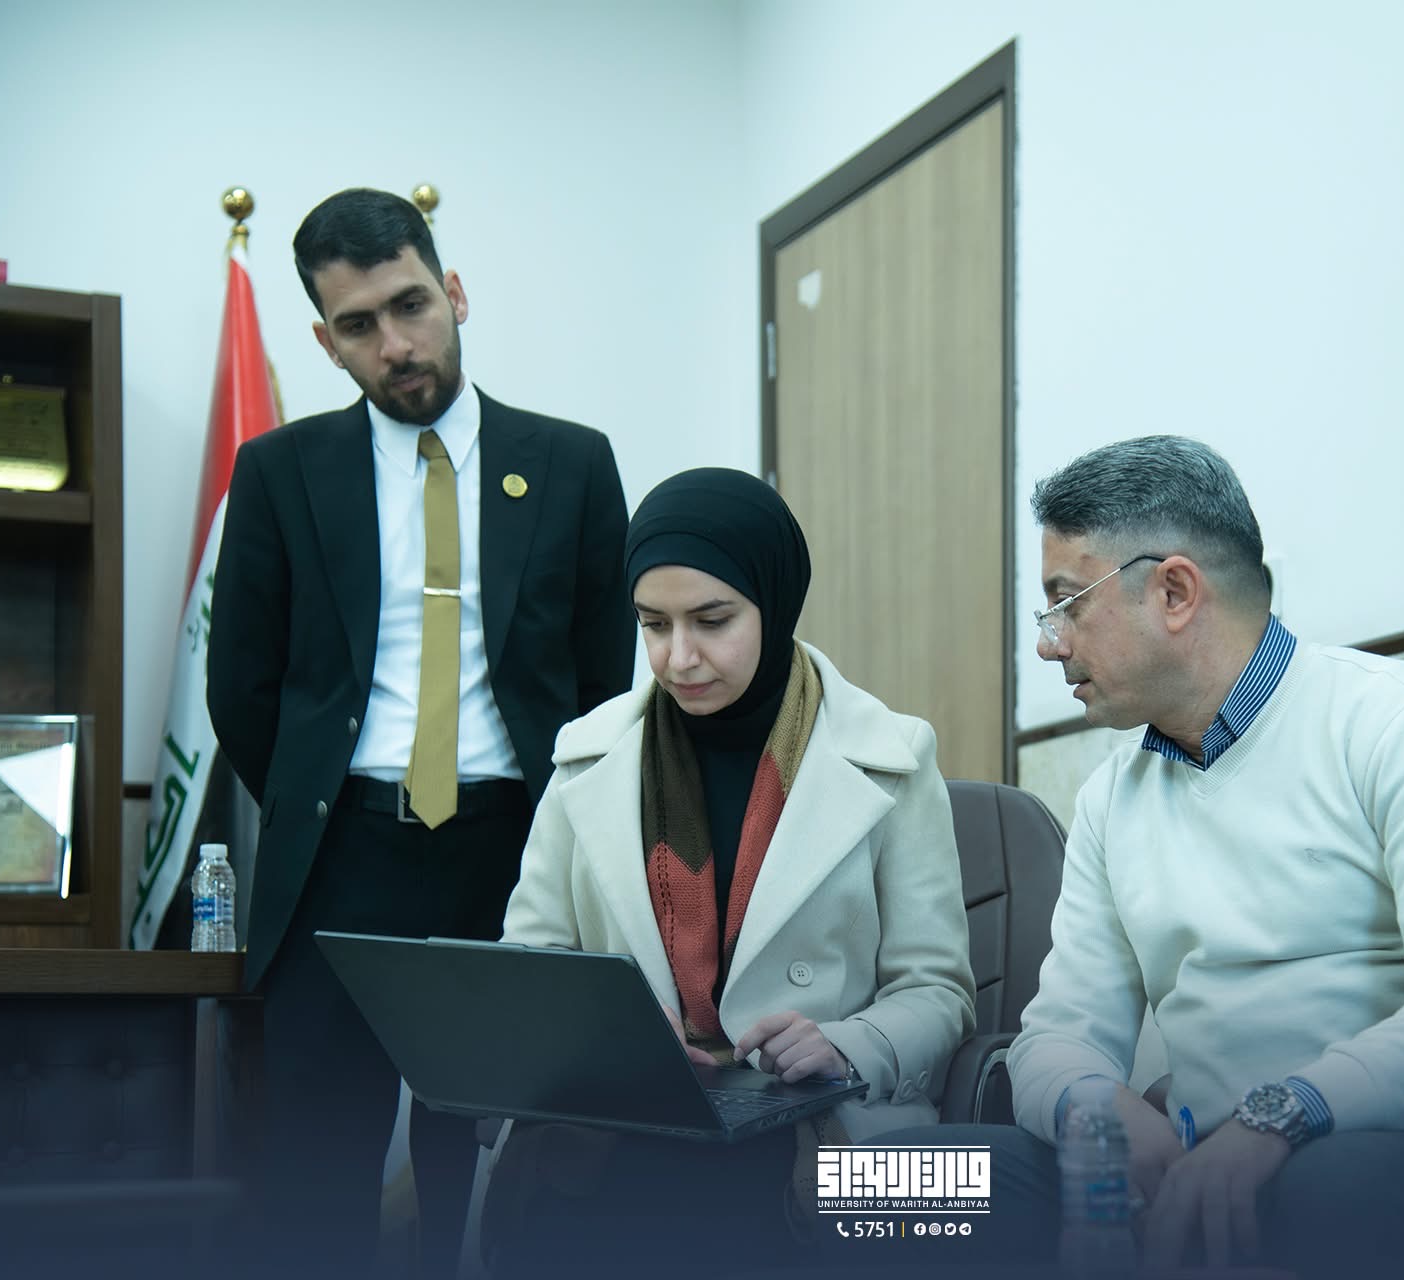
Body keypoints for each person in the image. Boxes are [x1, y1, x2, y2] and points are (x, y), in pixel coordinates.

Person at [984, 436, 1404, 1277]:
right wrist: (1091, 1107)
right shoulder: (1113, 798)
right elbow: (1058, 1034)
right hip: (1208, 1153)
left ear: (1175, 592)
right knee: (891, 1184)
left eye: (1066, 604)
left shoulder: (1403, 724)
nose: (1049, 645)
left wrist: (1281, 1117)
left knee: (1325, 1194)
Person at [206, 187, 633, 1274]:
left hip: (516, 858)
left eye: (410, 306)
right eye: (358, 325)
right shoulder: (278, 474)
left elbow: (601, 680)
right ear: (325, 341)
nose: (395, 345)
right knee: (315, 1185)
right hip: (338, 863)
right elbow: (242, 688)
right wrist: (319, 800)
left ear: (454, 293)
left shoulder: (574, 463)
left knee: (492, 1176)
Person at [481, 467, 976, 1275]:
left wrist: (845, 1045)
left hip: (826, 1132)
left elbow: (940, 992)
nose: (679, 657)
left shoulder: (895, 753)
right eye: (653, 625)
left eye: (712, 621)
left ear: (774, 603)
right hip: (624, 1128)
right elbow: (528, 972)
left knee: (898, 1212)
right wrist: (612, 1040)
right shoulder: (587, 755)